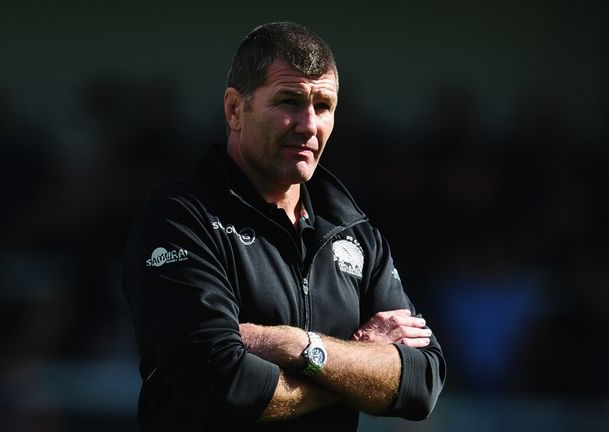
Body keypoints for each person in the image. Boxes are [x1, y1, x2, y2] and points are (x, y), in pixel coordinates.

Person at [122, 22, 446, 431]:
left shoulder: (354, 231)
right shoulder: (181, 218)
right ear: (235, 110)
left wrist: (295, 347)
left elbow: (422, 382)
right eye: (289, 101)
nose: (308, 124)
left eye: (323, 106)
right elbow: (223, 385)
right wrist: (359, 368)